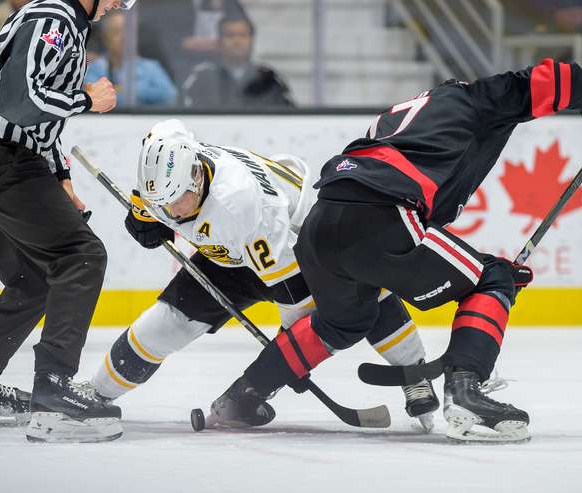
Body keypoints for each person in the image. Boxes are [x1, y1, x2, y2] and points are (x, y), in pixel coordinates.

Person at [203, 59, 582, 442]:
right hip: (381, 214)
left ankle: (242, 396)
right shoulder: (476, 98)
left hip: (322, 224)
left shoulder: (401, 119)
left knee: (343, 322)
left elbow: (423, 216)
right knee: (492, 278)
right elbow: (561, 77)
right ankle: (465, 391)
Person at [89, 119, 440, 431]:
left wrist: (285, 363)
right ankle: (94, 395)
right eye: (162, 203)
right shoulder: (174, 157)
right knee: (167, 324)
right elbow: (166, 136)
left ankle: (416, 375)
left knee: (363, 295)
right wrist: (143, 211)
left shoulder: (237, 206)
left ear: (197, 177)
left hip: (303, 243)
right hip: (234, 250)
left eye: (177, 201)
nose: (171, 211)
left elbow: (294, 298)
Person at [0, 0, 135, 443]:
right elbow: (20, 103)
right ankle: (53, 394)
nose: (120, 6)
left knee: (35, 276)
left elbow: (41, 124)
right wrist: (88, 98)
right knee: (80, 256)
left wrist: (61, 176)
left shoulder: (70, 22)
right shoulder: (52, 18)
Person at [182, 15, 293, 108]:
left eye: (243, 35)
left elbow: (286, 115)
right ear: (219, 41)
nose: (237, 41)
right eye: (230, 35)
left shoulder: (269, 79)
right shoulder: (203, 78)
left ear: (252, 40)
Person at [136, 0, 247, 86]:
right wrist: (181, 43)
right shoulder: (167, 4)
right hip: (177, 63)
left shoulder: (231, 3)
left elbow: (244, 31)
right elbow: (151, 34)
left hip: (222, 64)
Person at [83, 10, 177, 107]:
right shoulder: (94, 69)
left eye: (127, 31)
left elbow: (169, 95)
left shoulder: (151, 67)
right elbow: (93, 97)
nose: (123, 37)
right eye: (116, 32)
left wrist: (126, 90)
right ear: (105, 38)